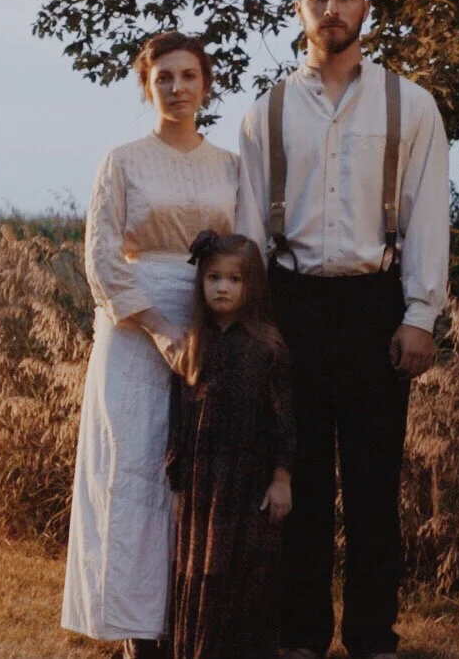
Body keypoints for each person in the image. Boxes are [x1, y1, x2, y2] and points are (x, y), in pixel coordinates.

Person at [234, 0, 450, 659]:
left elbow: (427, 215)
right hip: (290, 304)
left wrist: (419, 315)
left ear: (366, 7)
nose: (332, 9)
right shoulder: (265, 112)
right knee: (295, 479)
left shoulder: (409, 105)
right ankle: (300, 636)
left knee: (373, 484)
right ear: (300, 9)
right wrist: (251, 326)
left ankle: (371, 637)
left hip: (373, 305)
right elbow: (247, 232)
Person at [63, 31, 239, 659]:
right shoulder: (123, 161)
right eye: (163, 77)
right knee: (135, 470)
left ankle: (195, 623)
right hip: (136, 325)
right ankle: (140, 632)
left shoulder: (229, 166)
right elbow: (102, 255)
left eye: (188, 76)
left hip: (209, 321)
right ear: (147, 87)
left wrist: (223, 326)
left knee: (197, 476)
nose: (177, 87)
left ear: (205, 85)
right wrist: (160, 327)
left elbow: (243, 252)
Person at [164, 230, 297, 659]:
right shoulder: (192, 346)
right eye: (214, 278)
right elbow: (179, 420)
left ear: (251, 285)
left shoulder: (267, 348)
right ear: (201, 282)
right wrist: (178, 483)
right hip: (202, 483)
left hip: (247, 484)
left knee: (244, 572)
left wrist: (281, 479)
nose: (222, 287)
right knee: (201, 567)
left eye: (234, 279)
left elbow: (283, 420)